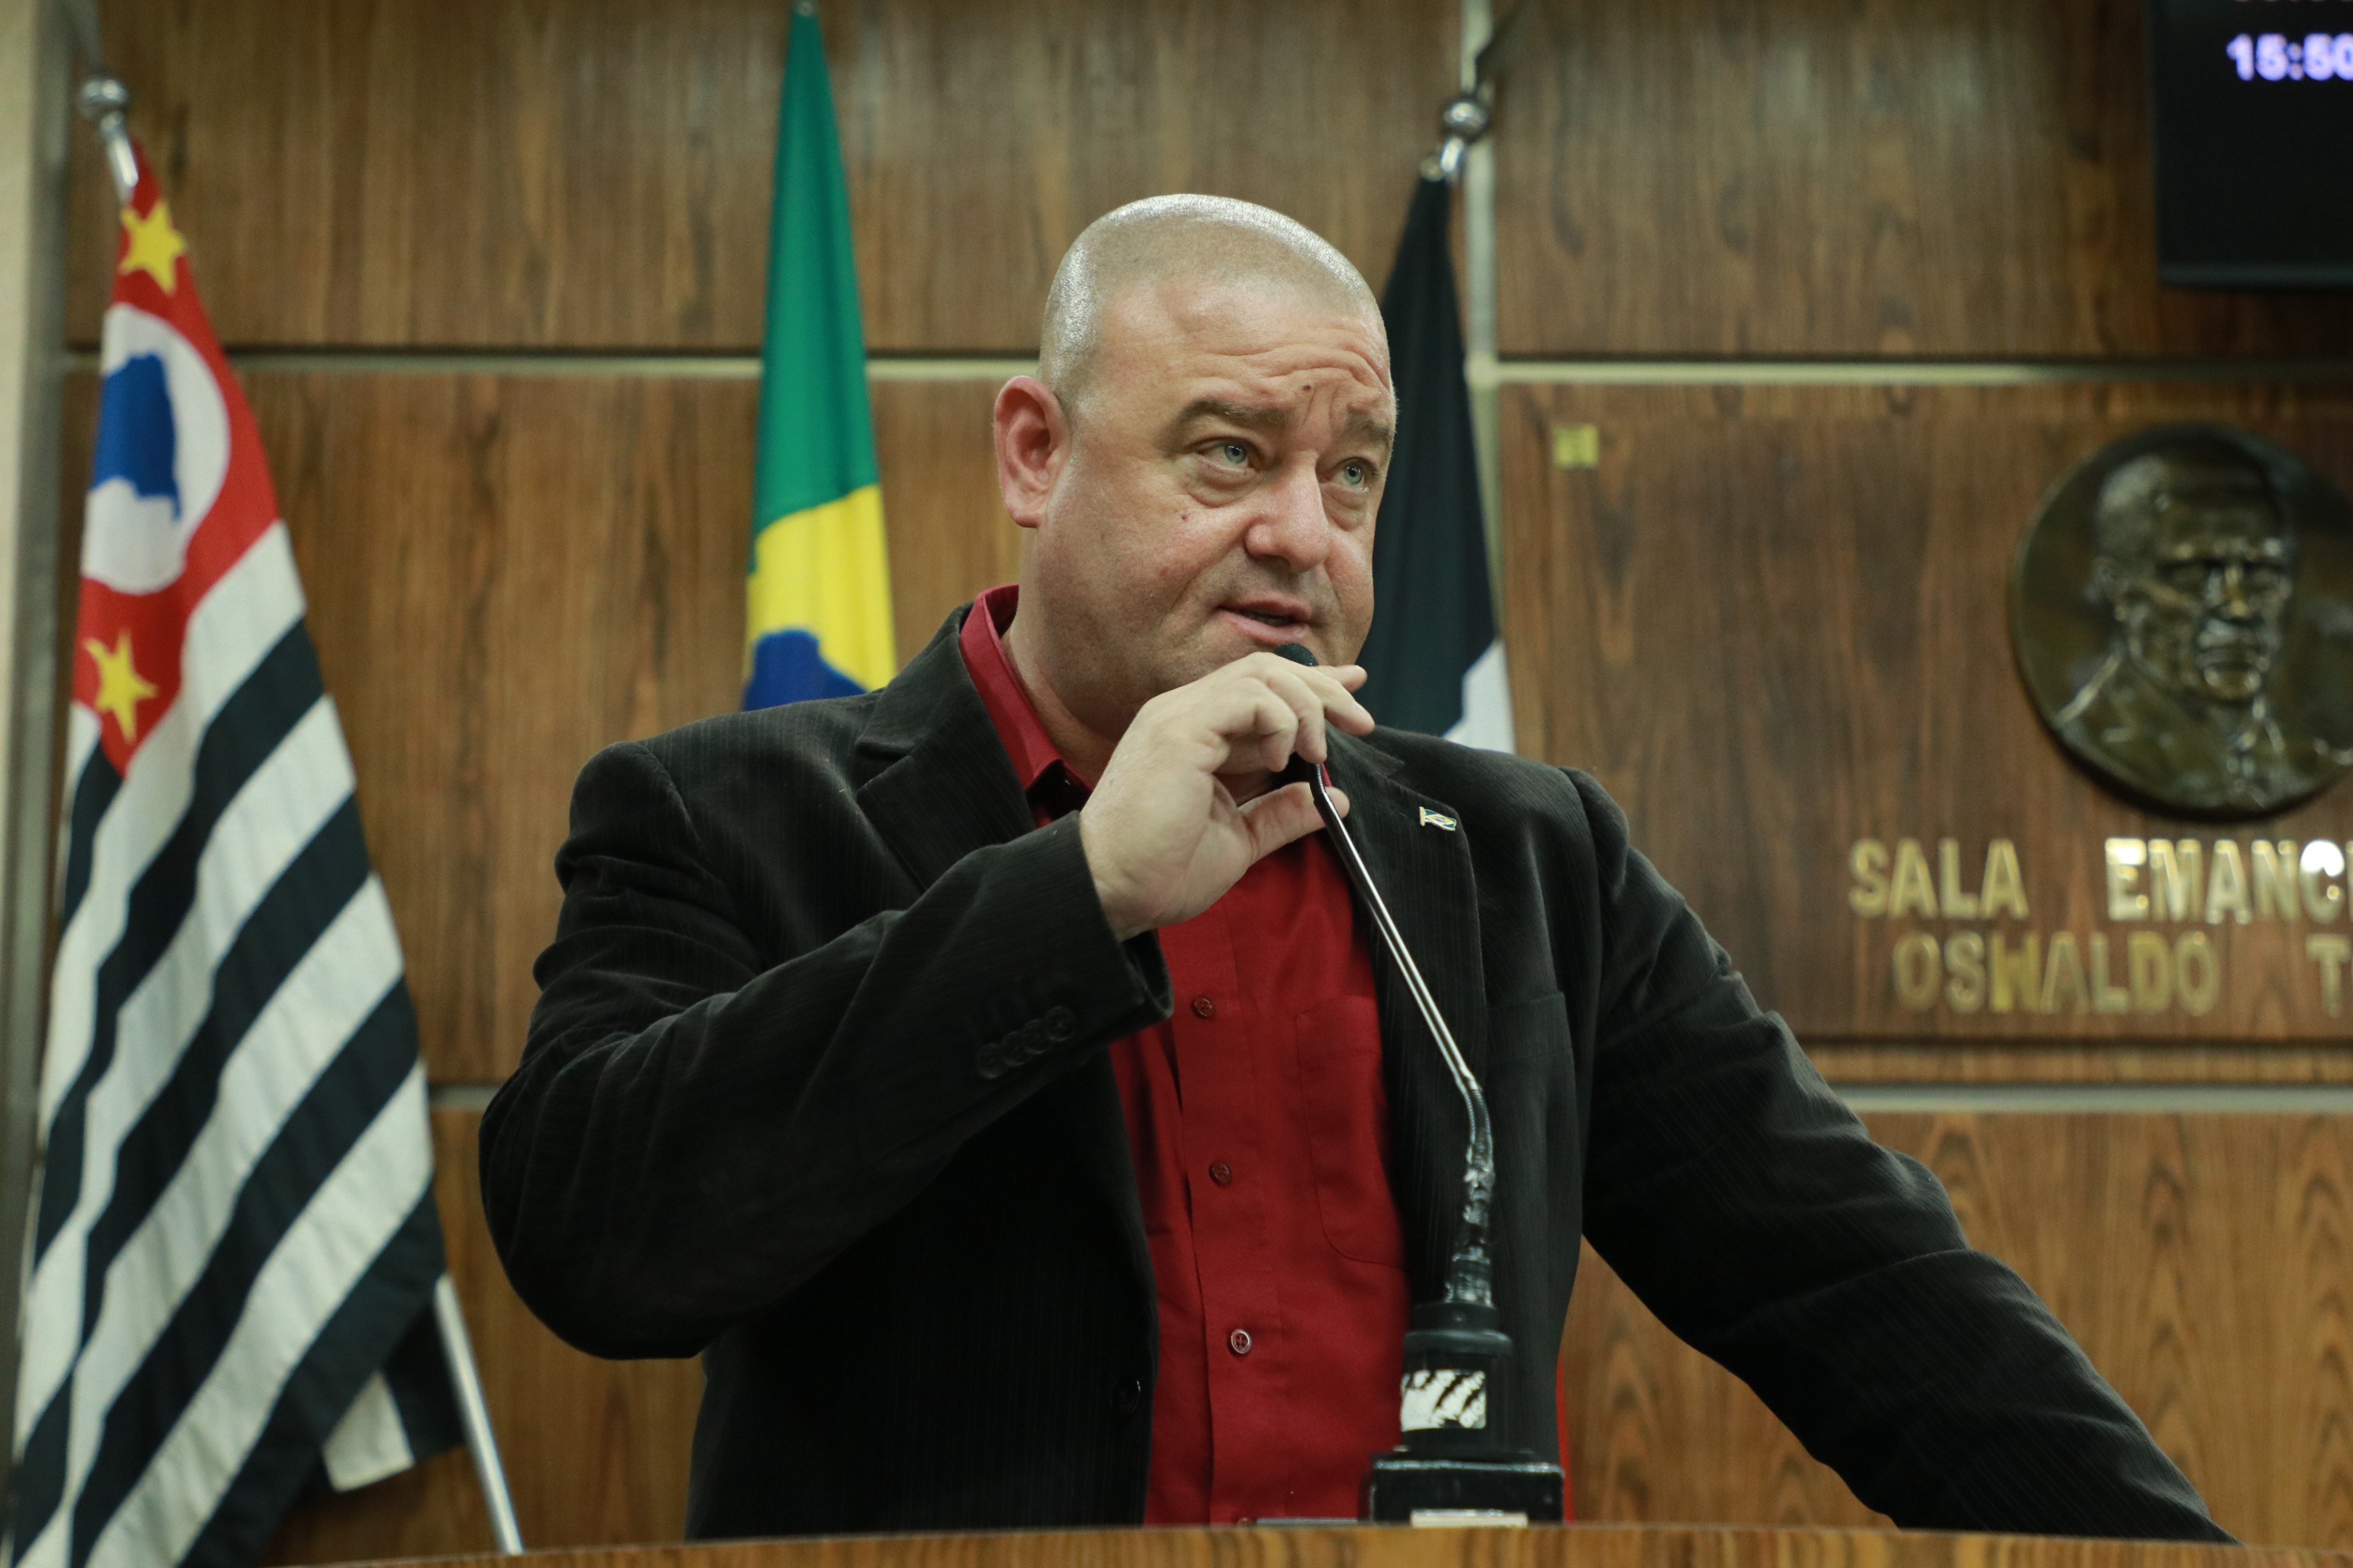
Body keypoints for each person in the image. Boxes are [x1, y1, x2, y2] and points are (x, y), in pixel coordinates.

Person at [481, 196, 2229, 1541]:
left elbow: (1863, 1287)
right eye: (1230, 453)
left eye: (1355, 477)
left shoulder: (1527, 860)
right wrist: (1075, 893)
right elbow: (595, 1238)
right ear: (1035, 448)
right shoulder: (728, 812)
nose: (1303, 535)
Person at [2053, 439, 2346, 813]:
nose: (2238, 605)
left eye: (2261, 572)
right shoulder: (2098, 737)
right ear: (2119, 587)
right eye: (2195, 572)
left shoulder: (2306, 759)